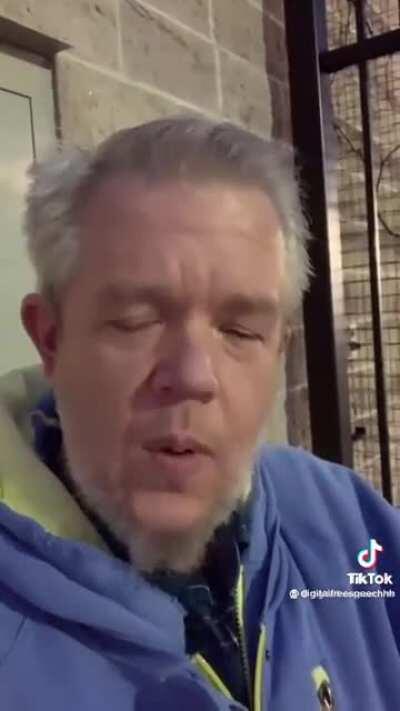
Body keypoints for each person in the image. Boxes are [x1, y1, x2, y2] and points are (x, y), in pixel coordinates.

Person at [0, 116, 399, 711]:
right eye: (135, 322)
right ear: (51, 340)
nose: (192, 375)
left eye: (240, 331)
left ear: (279, 353)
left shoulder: (352, 526)